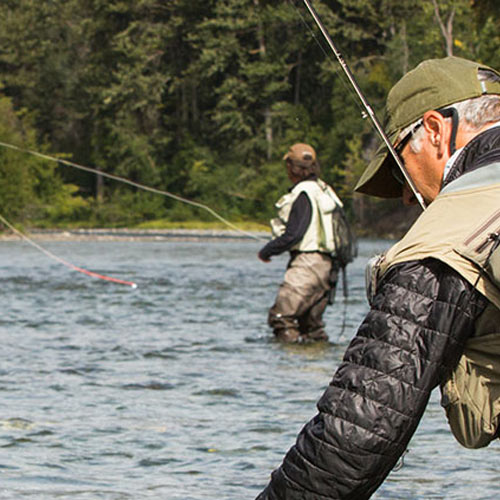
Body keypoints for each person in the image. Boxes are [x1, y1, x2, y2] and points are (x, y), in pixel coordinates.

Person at [256, 56, 500, 499]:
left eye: (399, 168)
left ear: (434, 130)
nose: (407, 196)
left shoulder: (443, 239)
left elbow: (358, 429)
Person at [258, 143, 343, 343]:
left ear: (290, 167)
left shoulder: (304, 193)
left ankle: (287, 369)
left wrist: (267, 251)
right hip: (329, 267)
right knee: (310, 325)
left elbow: (294, 234)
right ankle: (315, 366)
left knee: (281, 318)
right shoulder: (326, 190)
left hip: (307, 264)